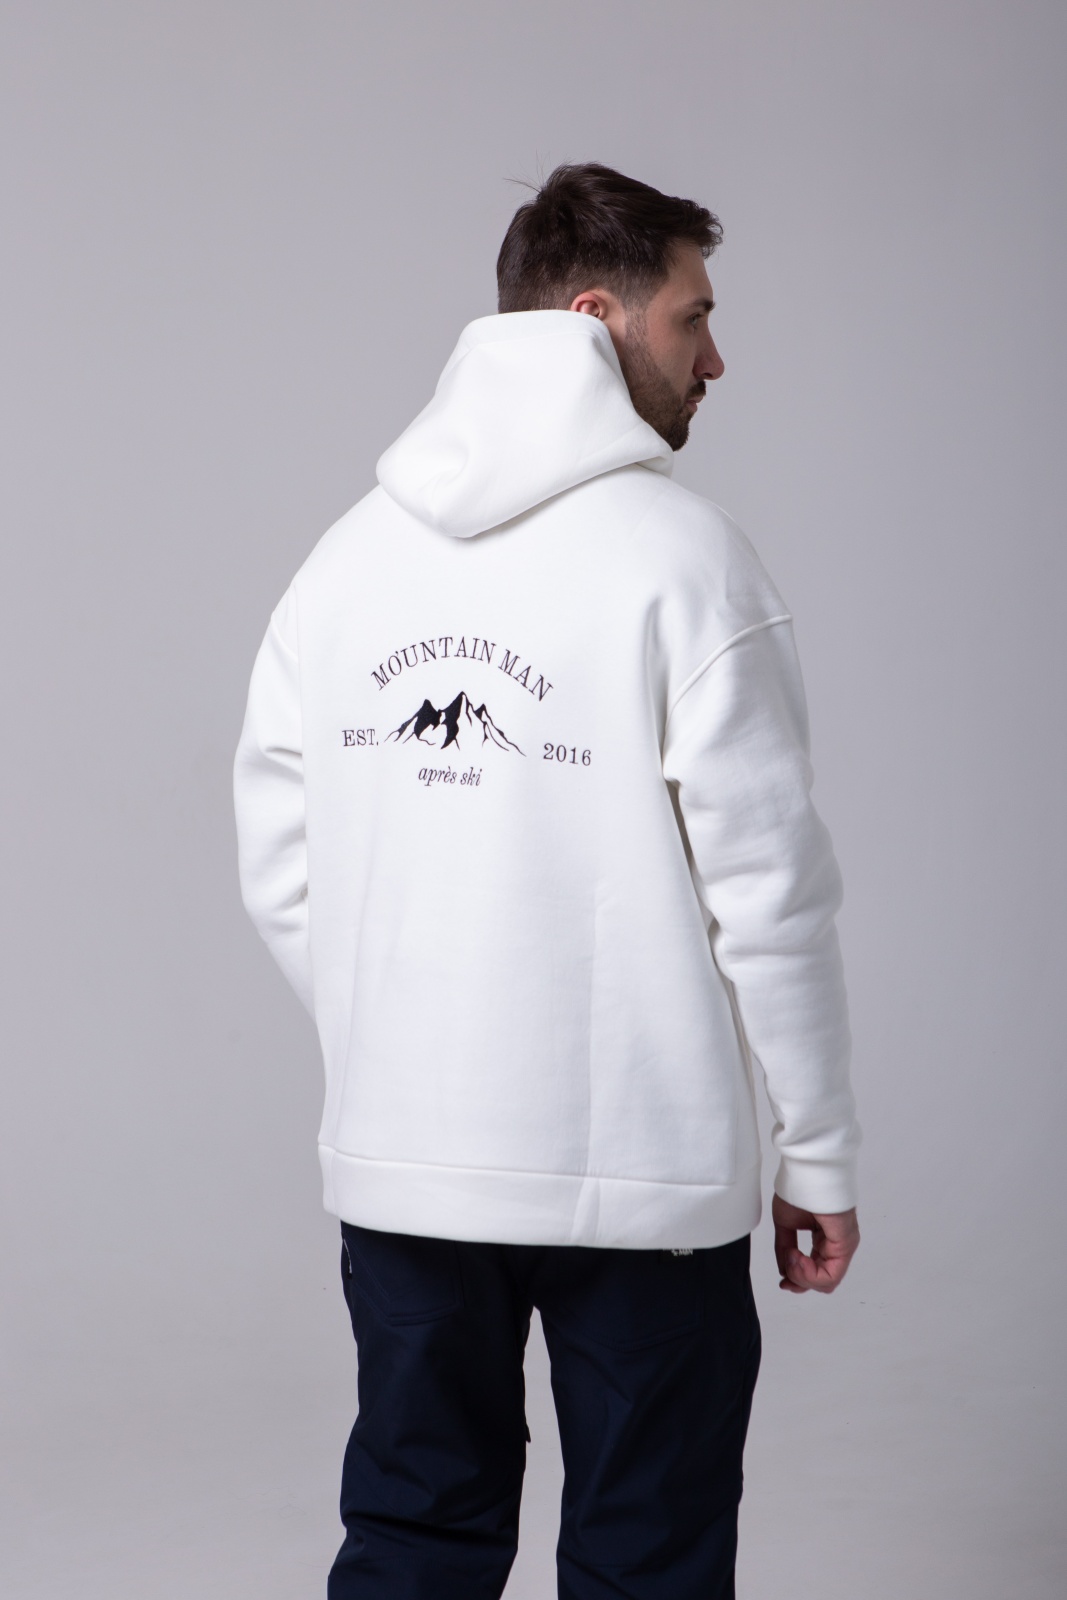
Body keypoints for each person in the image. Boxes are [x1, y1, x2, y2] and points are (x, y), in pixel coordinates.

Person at [233, 162, 861, 1600]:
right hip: (648, 1176)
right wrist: (816, 1154)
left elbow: (280, 860)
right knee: (648, 1557)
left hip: (409, 1160)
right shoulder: (687, 565)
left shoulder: (345, 564)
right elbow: (772, 898)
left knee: (413, 1536)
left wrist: (403, 1035)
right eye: (694, 317)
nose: (716, 359)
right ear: (594, 318)